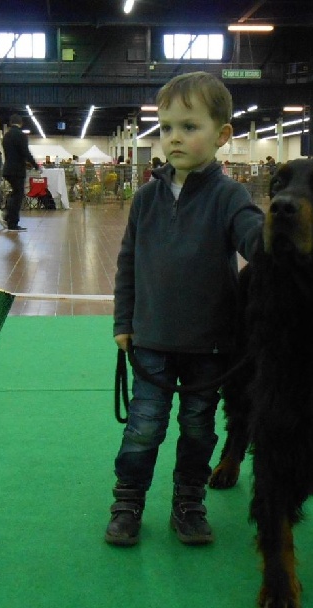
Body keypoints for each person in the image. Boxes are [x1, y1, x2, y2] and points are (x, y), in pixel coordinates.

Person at [105, 71, 264, 547]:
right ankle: (128, 501)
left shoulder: (231, 197)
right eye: (167, 126)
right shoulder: (146, 199)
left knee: (198, 428)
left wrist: (286, 239)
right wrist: (122, 321)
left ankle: (189, 502)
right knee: (143, 427)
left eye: (189, 127)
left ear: (222, 136)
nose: (174, 136)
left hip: (210, 347)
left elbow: (256, 239)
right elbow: (127, 263)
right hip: (150, 340)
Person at [2, 113, 37, 231]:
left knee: (14, 194)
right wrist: (35, 165)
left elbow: (12, 153)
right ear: (21, 123)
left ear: (11, 123)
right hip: (17, 171)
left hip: (7, 170)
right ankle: (12, 223)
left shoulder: (6, 136)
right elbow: (25, 152)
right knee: (18, 196)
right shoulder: (21, 135)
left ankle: (8, 216)